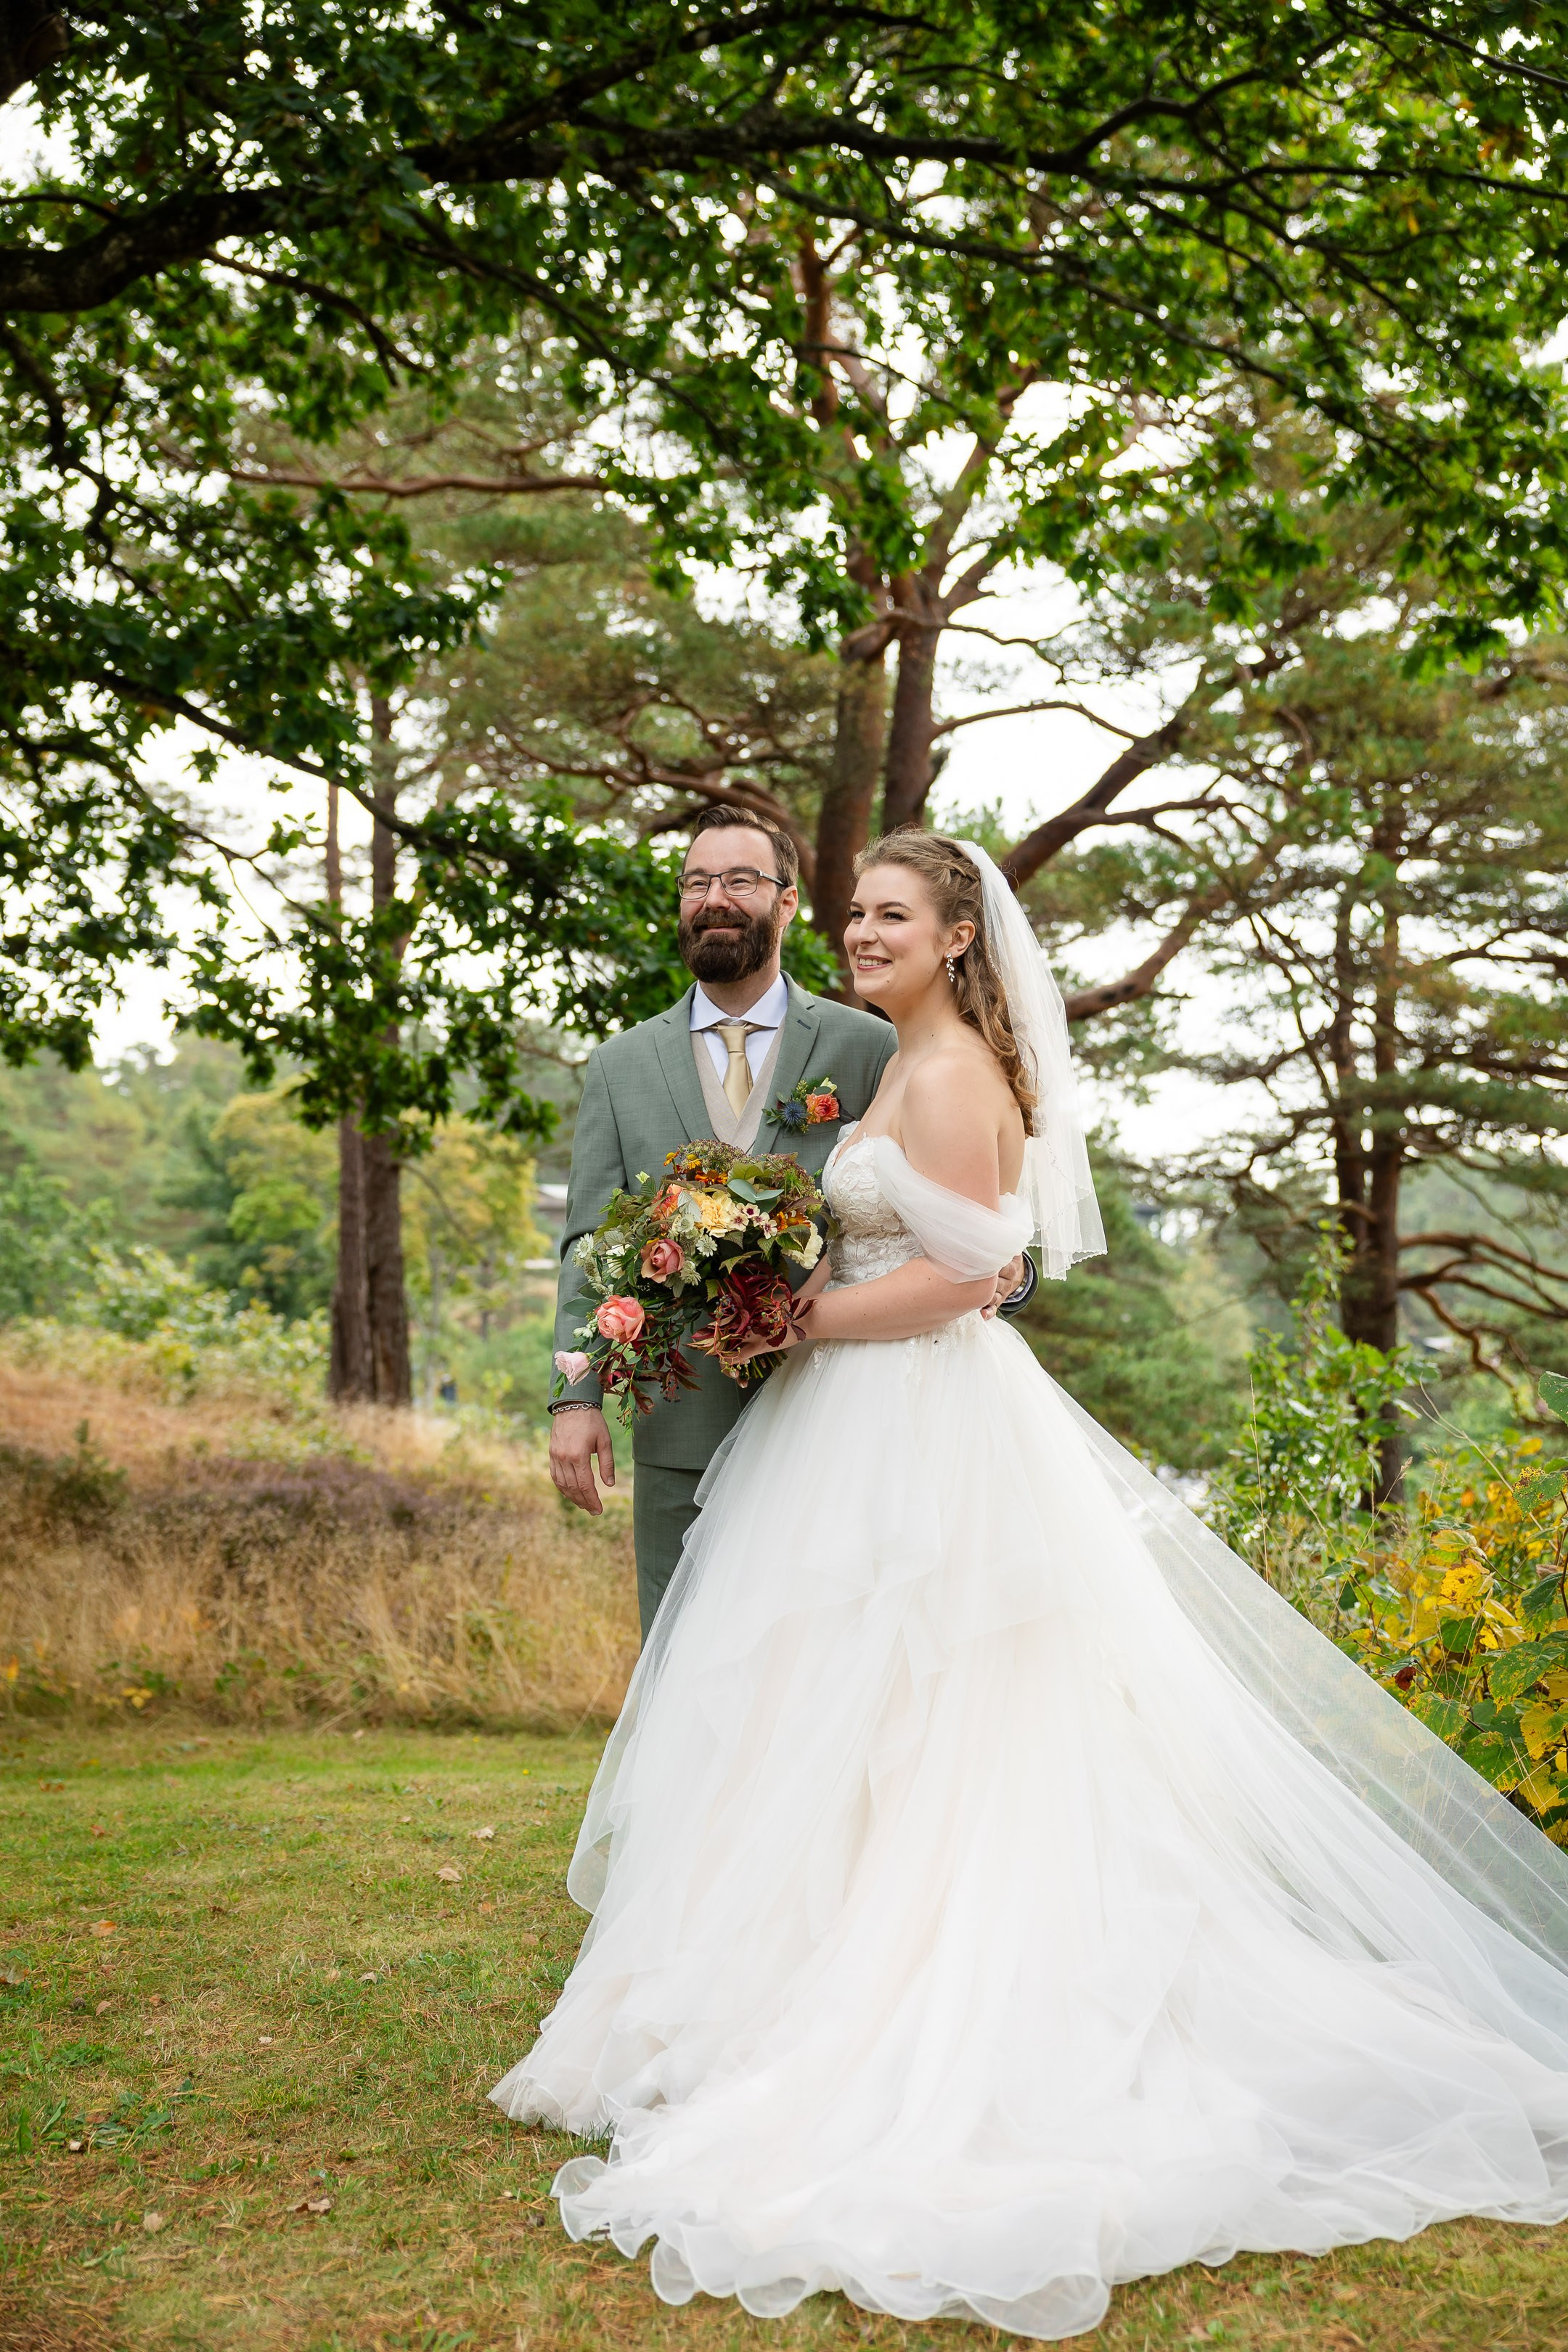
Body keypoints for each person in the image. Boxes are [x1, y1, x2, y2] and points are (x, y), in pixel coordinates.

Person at [499, 831, 1568, 2341]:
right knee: (828, 1717)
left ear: (952, 938)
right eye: (857, 912)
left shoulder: (938, 1078)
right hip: (856, 1427)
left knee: (941, 1721)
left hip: (917, 1430)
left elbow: (976, 1274)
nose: (864, 934)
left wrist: (803, 1321)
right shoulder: (896, 1064)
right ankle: (792, 1976)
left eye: (888, 915)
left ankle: (915, 1998)